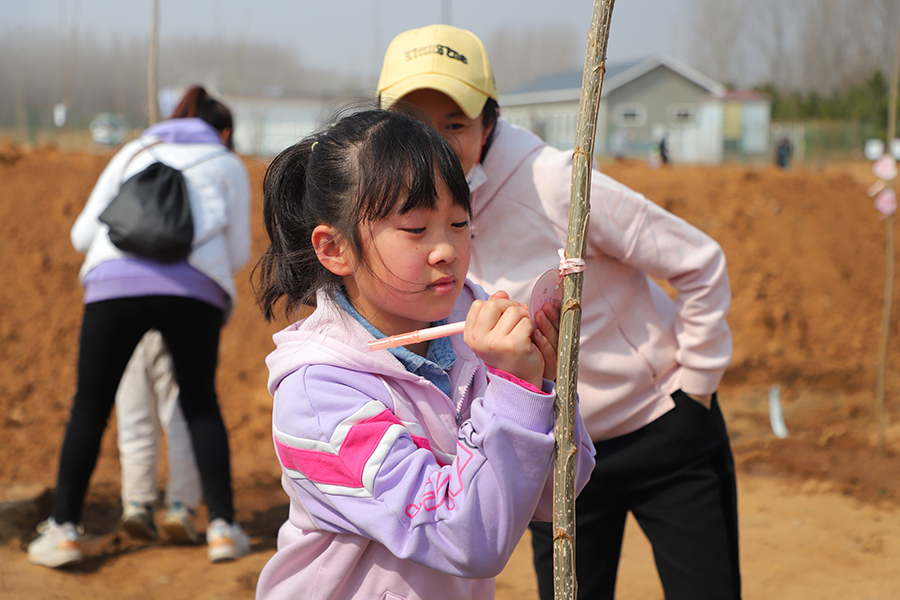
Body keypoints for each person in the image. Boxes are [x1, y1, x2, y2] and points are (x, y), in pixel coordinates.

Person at [377, 25, 740, 600]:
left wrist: (693, 388)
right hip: (556, 461)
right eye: (416, 126)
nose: (438, 148)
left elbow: (697, 260)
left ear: (488, 121)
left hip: (660, 430)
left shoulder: (552, 181)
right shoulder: (391, 220)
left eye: (456, 125)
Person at [252, 108, 595, 600]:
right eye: (415, 230)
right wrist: (513, 390)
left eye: (458, 223)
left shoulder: (467, 330)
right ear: (334, 249)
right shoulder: (317, 396)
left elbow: (557, 493)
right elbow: (465, 535)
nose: (446, 250)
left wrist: (542, 380)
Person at [28, 86, 252, 568]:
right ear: (224, 131)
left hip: (114, 284)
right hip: (194, 294)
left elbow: (82, 235)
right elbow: (237, 255)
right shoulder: (227, 162)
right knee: (200, 405)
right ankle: (223, 529)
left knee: (89, 406)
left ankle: (64, 529)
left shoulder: (135, 149)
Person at [116, 329, 202, 543]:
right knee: (181, 422)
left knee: (134, 422)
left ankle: (136, 505)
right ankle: (181, 508)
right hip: (176, 319)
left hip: (125, 320)